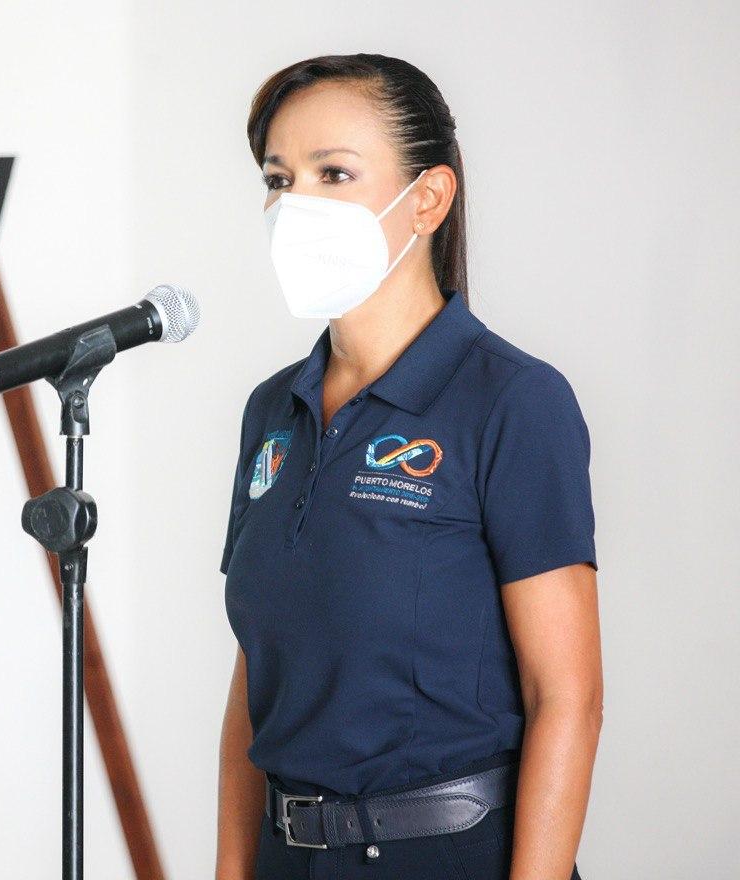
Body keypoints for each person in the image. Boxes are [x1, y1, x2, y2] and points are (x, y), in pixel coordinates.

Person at [216, 55, 602, 880]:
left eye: (335, 173)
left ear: (427, 198)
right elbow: (258, 674)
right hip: (290, 856)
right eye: (279, 178)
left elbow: (565, 698)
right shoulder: (271, 412)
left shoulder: (513, 402)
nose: (294, 205)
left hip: (450, 856)